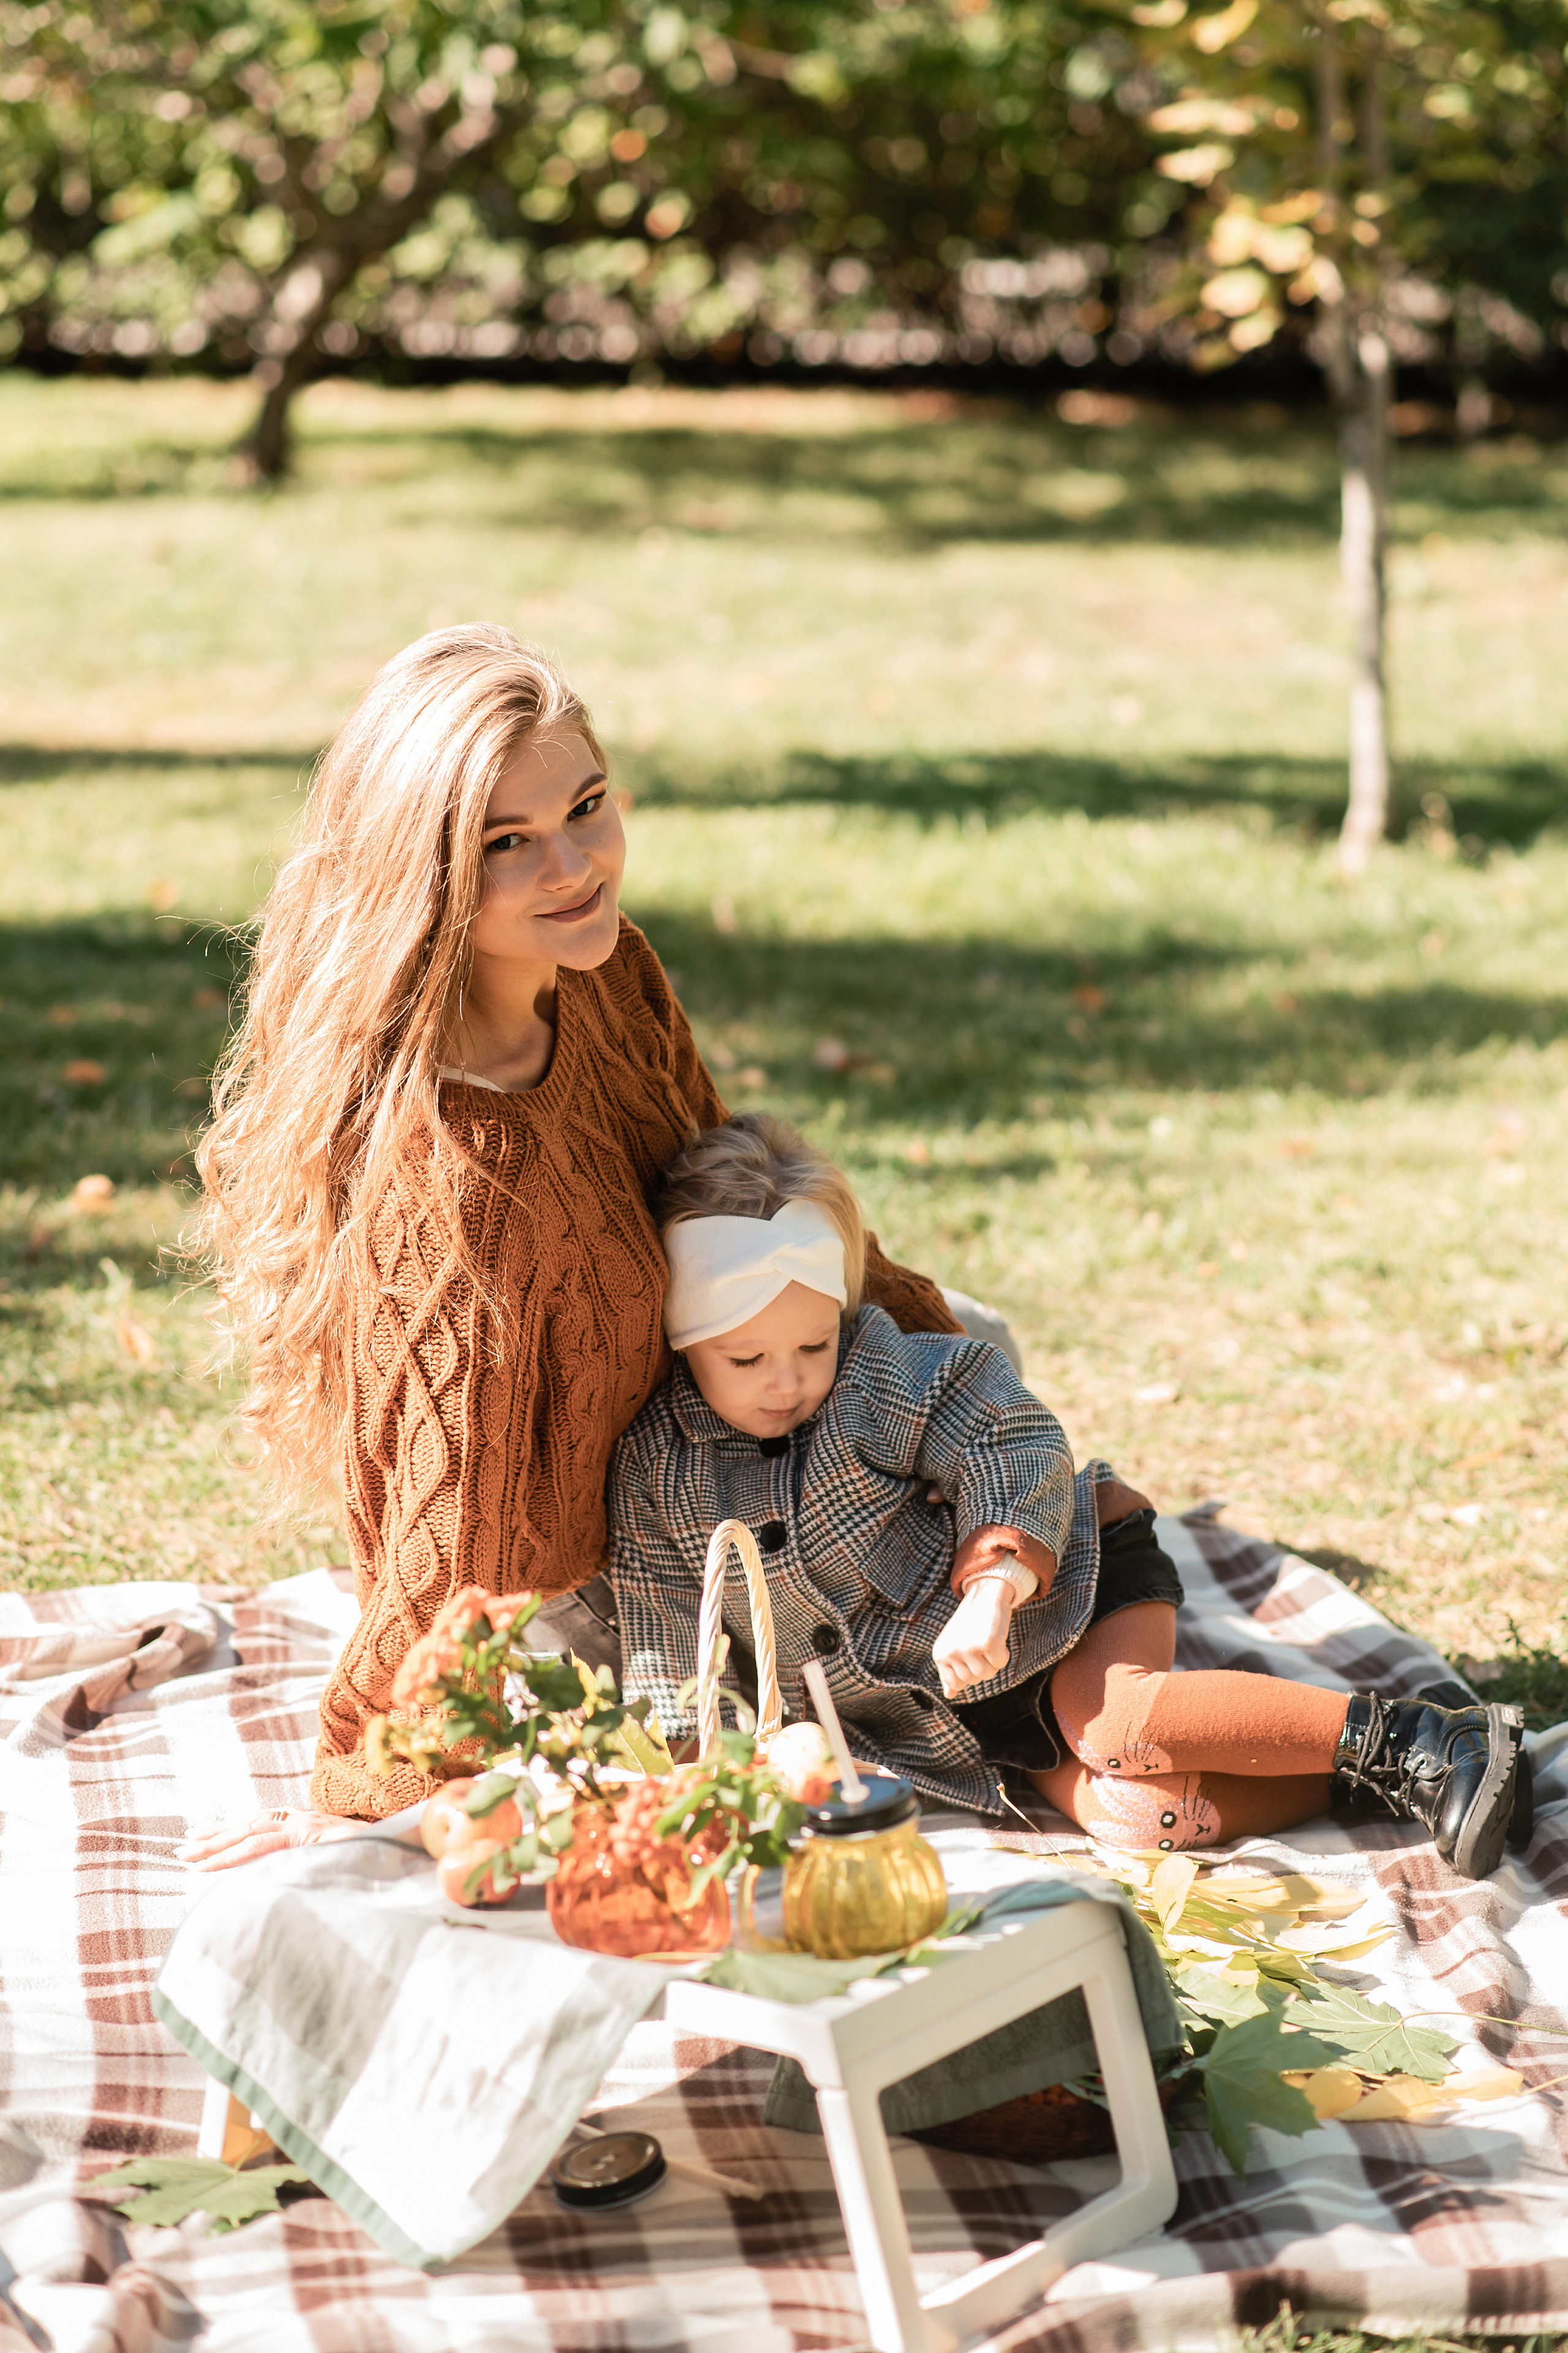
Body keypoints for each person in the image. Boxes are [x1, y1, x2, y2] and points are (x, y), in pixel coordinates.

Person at [178, 627, 961, 1872]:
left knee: (959, 1349)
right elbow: (455, 1522)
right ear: (422, 872)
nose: (574, 863)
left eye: (586, 806)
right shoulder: (450, 1173)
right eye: (508, 841)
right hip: (607, 1590)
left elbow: (732, 1198)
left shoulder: (602, 975)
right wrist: (377, 1782)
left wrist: (947, 1363)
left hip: (713, 1419)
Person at [609, 1113, 1525, 1881]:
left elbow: (1008, 1433)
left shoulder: (871, 1376)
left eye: (811, 1343)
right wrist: (695, 1771)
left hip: (1061, 1598)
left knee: (1122, 1725)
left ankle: (1429, 1737)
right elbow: (662, 1637)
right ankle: (1356, 1774)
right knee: (1143, 1813)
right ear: (685, 1339)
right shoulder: (659, 1471)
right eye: (747, 1359)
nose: (787, 1379)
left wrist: (994, 1586)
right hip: (968, 1714)